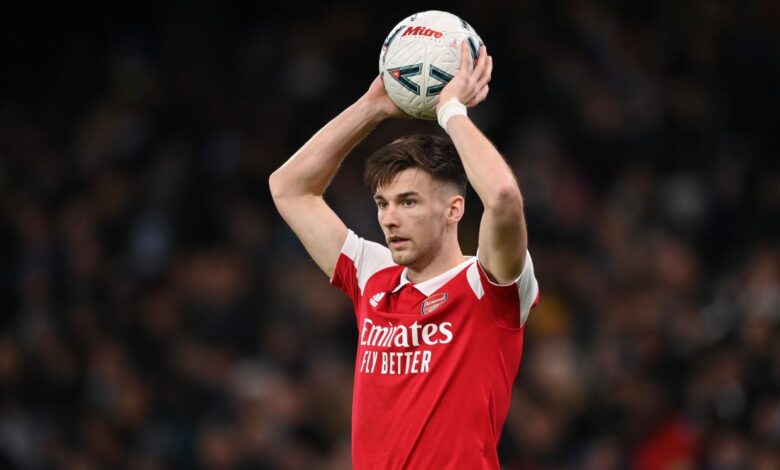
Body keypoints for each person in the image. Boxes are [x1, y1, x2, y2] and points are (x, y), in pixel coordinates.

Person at [269, 43, 539, 469]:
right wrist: (372, 106)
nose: (390, 219)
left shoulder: (489, 286)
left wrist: (452, 112)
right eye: (382, 203)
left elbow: (504, 197)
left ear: (453, 210)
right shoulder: (373, 276)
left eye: (408, 202)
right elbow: (289, 188)